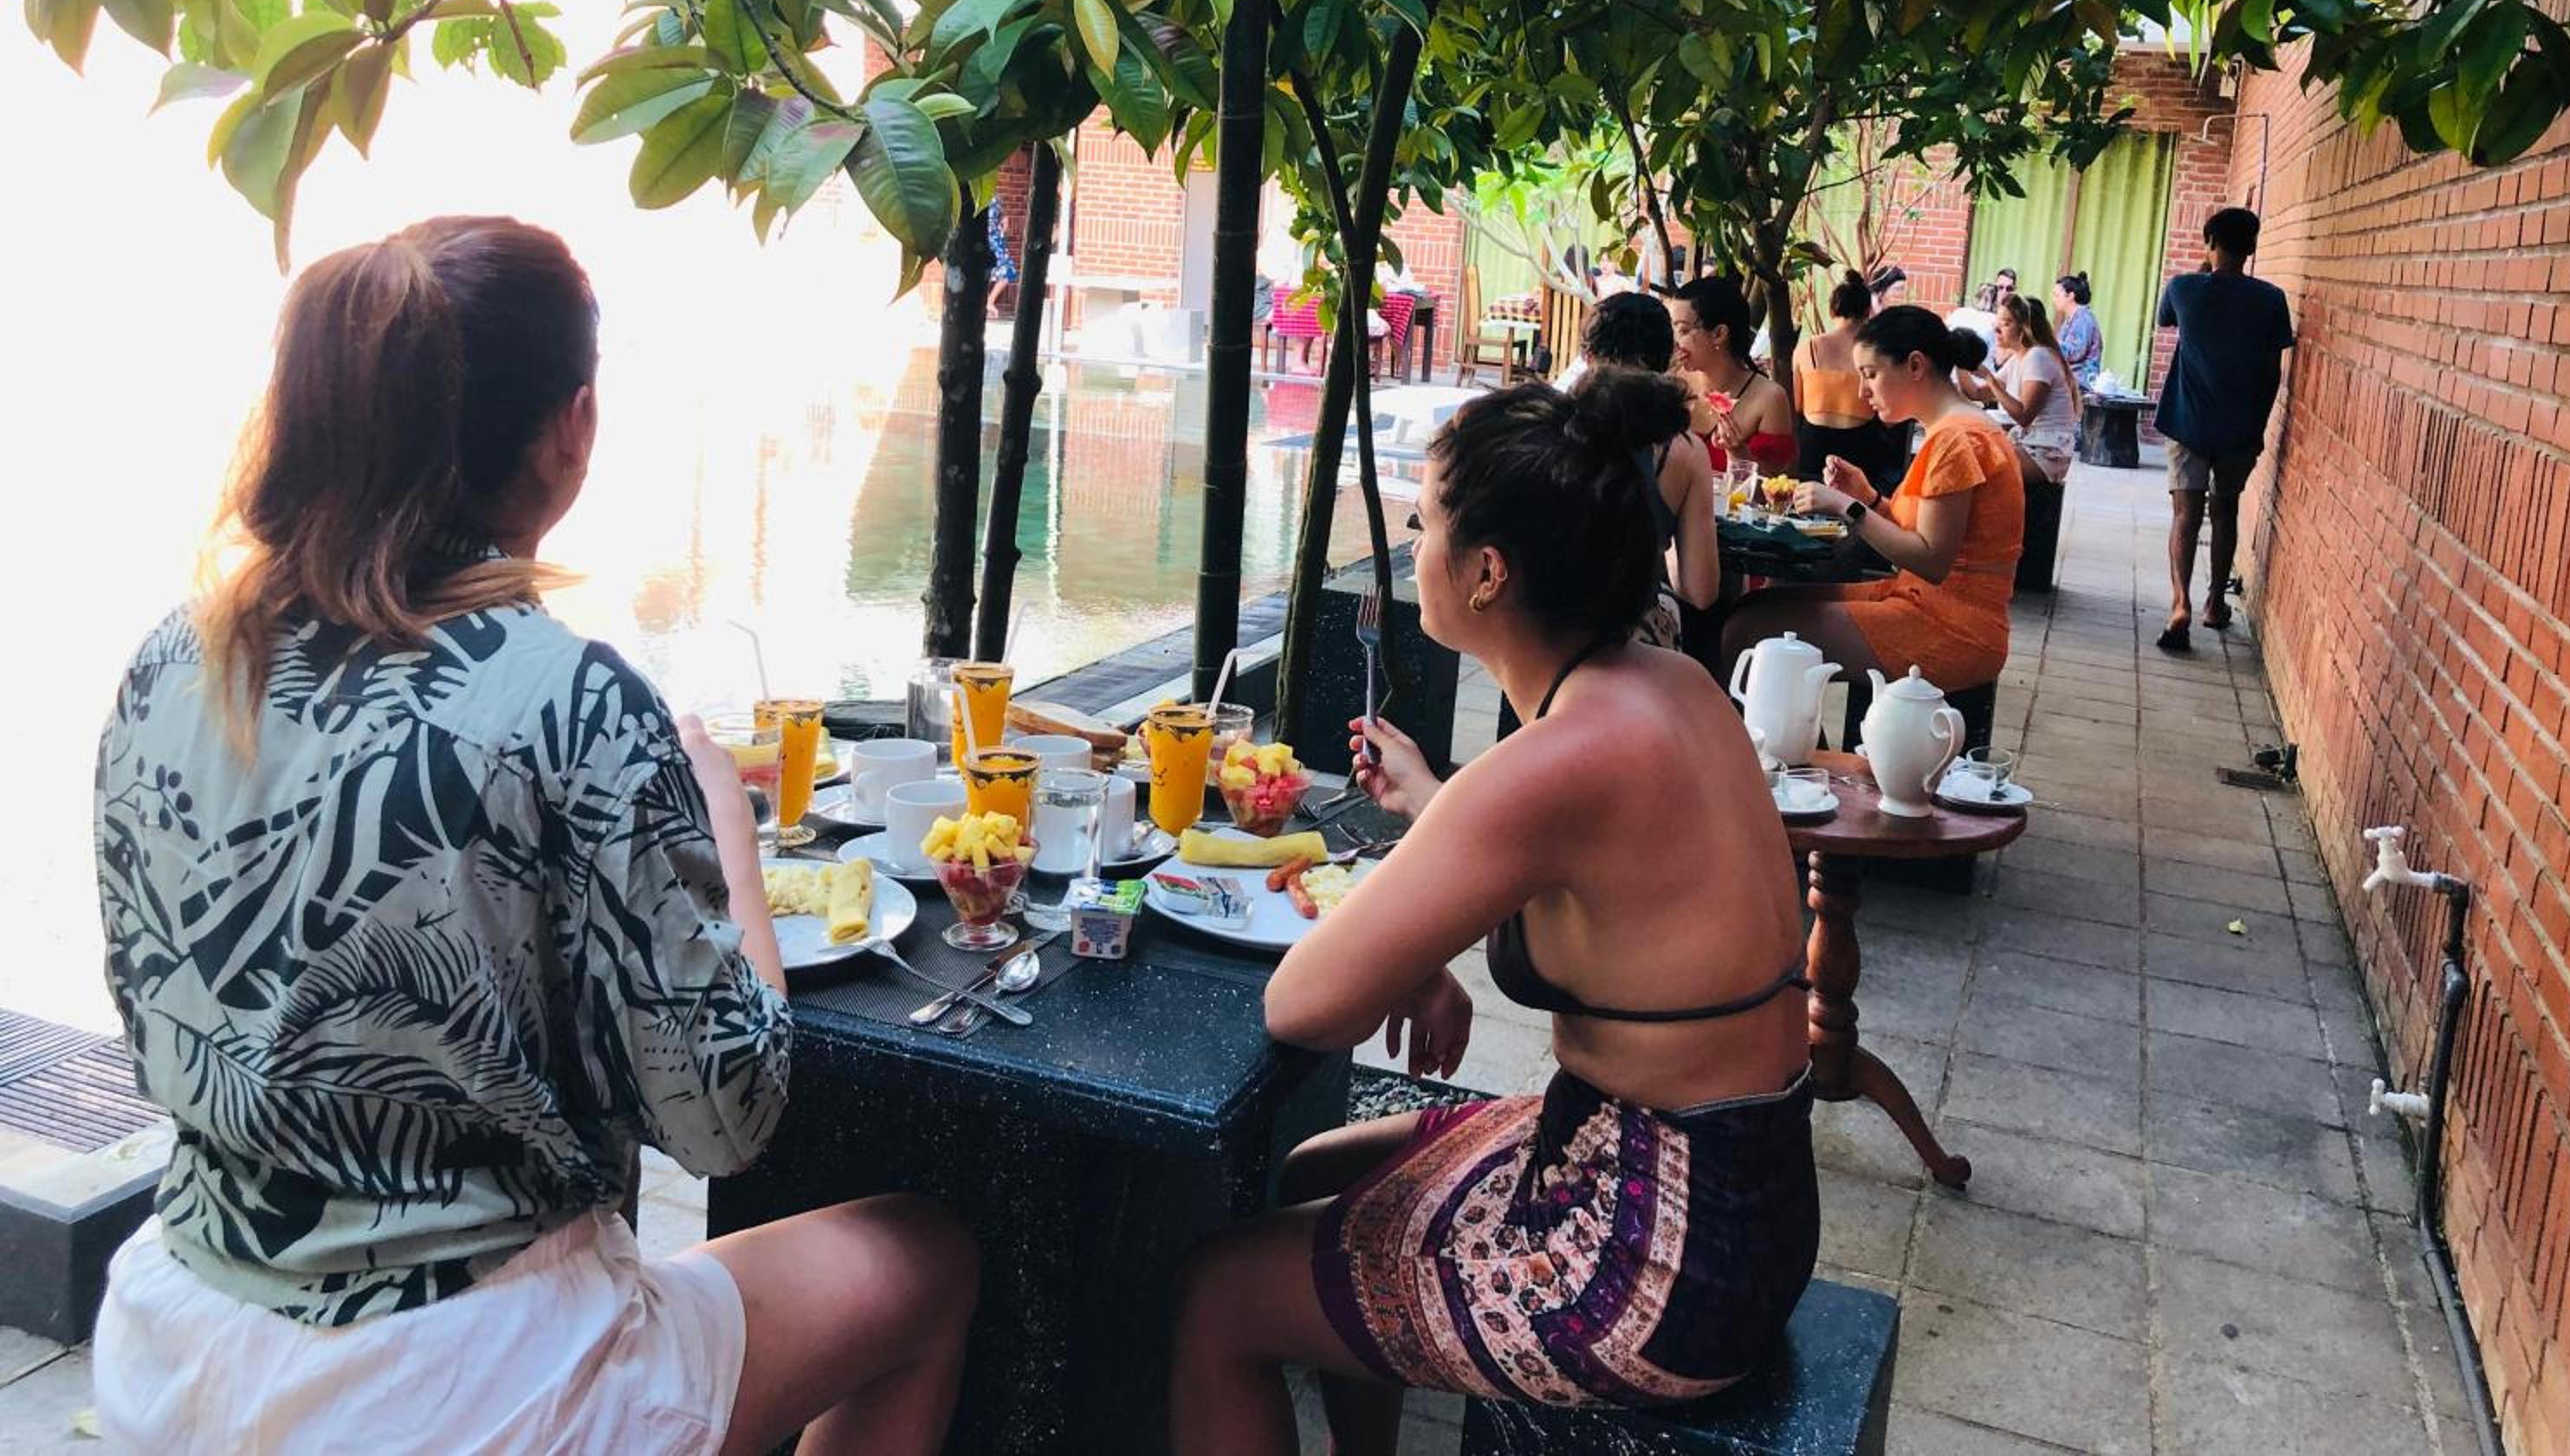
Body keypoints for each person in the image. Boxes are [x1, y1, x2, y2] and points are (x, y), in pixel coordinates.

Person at [91, 218, 976, 1456]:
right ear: (574, 426)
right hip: (463, 1384)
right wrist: (728, 834)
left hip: (177, 1336)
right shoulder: (573, 701)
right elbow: (727, 1117)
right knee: (925, 1257)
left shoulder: (176, 659)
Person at [1168, 373, 1815, 1450]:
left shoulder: (1555, 761)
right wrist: (1434, 817)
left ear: (1487, 573)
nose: (1414, 540)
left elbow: (1303, 1006)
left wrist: (1398, 941)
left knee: (1218, 1295)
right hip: (1750, 1191)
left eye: (1426, 521)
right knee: (1319, 1171)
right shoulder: (1673, 686)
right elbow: (1596, 872)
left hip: (1660, 1258)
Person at [1719, 306, 2022, 695]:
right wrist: (1868, 497)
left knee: (1747, 629)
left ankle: (1753, 734)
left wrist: (1846, 507)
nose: (1862, 391)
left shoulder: (1957, 439)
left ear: (1915, 366)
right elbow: (1919, 535)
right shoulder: (1953, 430)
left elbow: (1931, 560)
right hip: (1919, 599)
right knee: (1758, 606)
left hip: (1952, 626)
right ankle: (1784, 732)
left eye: (1871, 374)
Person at [2152, 206, 2294, 651]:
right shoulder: (2271, 299)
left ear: (2209, 242)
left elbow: (2166, 319)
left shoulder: (2183, 288)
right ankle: (2215, 601)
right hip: (2240, 427)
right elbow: (2273, 372)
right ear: (2252, 247)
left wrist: (2206, 269)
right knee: (2226, 510)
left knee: (2185, 514)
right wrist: (2258, 424)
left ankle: (2180, 604)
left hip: (2188, 421)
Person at [1578, 291, 1723, 663]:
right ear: (1666, 362)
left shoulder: (1550, 424)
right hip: (1633, 637)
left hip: (1544, 631)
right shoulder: (1685, 450)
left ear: (1588, 357)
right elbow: (1700, 591)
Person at [1795, 269, 1911, 498]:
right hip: (1861, 446)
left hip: (1812, 446)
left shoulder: (1807, 348)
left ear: (1832, 311)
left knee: (1807, 504)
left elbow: (1797, 405)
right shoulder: (1879, 351)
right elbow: (1889, 412)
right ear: (1868, 311)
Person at [1667, 276, 1798, 476]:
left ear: (1719, 334)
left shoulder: (1769, 397)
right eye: (1673, 330)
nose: (1676, 342)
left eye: (1683, 330)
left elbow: (1774, 486)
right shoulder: (1672, 383)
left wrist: (1739, 455)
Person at [1967, 294, 2081, 485]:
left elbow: (2024, 415)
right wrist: (1959, 363)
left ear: (2024, 328)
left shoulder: (2038, 357)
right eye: (1997, 322)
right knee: (1967, 448)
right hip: (2029, 444)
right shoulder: (2019, 358)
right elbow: (1976, 393)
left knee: (1974, 464)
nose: (1996, 329)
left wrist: (1990, 378)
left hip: (2045, 453)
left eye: (2006, 323)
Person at [2053, 271, 2102, 385]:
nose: (2054, 300)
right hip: (2069, 379)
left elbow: (2076, 352)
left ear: (2070, 296)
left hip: (2080, 382)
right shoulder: (2072, 319)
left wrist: (2048, 343)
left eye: (2056, 295)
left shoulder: (2084, 319)